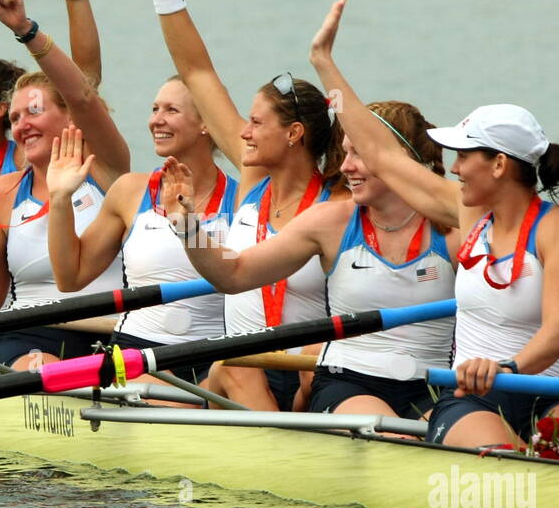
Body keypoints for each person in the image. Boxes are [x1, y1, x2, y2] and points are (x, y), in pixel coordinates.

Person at [312, 0, 559, 452]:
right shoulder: (470, 218)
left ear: (500, 165)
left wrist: (508, 368)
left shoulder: (556, 229)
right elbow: (382, 154)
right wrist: (324, 64)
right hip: (473, 398)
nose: (454, 168)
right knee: (501, 458)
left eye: (464, 156)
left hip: (548, 394)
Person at [127, 0, 348, 410]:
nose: (242, 135)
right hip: (239, 372)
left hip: (310, 377)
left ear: (294, 134)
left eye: (255, 123)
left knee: (236, 366)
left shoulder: (339, 204)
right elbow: (197, 69)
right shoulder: (253, 180)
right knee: (234, 364)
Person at [161, 101, 457, 420]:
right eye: (345, 154)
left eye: (358, 154)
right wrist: (187, 226)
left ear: (397, 159)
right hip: (349, 384)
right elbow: (232, 275)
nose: (345, 167)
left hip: (432, 386)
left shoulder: (454, 232)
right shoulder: (330, 222)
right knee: (393, 432)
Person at [0, 0, 130, 370]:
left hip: (106, 337)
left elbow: (83, 90)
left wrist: (30, 26)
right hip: (26, 336)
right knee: (29, 361)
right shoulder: (7, 190)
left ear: (70, 116)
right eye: (15, 118)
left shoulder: (104, 168)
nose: (22, 125)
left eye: (35, 111)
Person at [46, 77, 238, 390]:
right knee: (173, 400)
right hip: (135, 353)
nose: (155, 120)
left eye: (171, 110)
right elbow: (70, 278)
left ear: (206, 122)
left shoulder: (242, 200)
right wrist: (59, 199)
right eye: (154, 109)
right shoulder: (129, 191)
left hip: (211, 358)